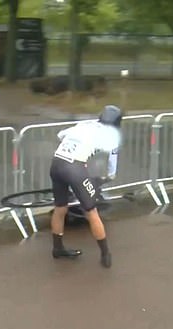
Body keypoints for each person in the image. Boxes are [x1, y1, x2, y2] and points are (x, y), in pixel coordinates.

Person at [48, 105, 123, 269]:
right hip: (74, 168)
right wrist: (109, 176)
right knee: (91, 212)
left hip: (57, 163)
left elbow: (60, 135)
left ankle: (57, 248)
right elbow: (112, 160)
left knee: (60, 209)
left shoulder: (85, 124)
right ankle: (105, 254)